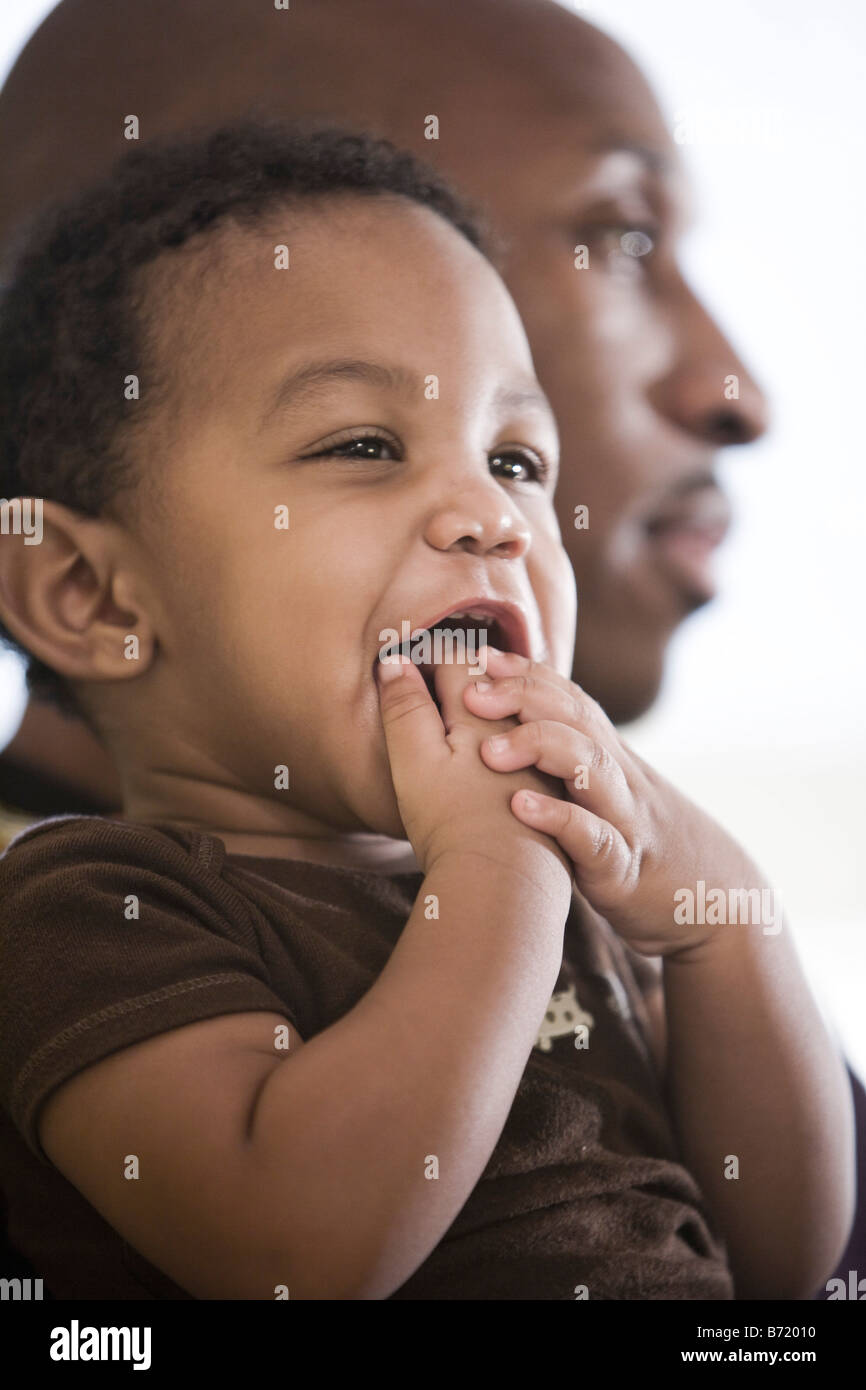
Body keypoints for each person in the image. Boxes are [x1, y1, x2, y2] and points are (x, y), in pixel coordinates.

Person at [0, 122, 854, 1301]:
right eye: (361, 443)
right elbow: (297, 1257)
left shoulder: (581, 902)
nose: (489, 515)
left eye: (515, 459)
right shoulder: (93, 914)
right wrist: (494, 874)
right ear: (90, 595)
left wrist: (724, 923)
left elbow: (783, 1267)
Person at [0, 0, 768, 816]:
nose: (739, 396)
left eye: (515, 463)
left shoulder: (593, 891)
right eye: (622, 237)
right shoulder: (66, 932)